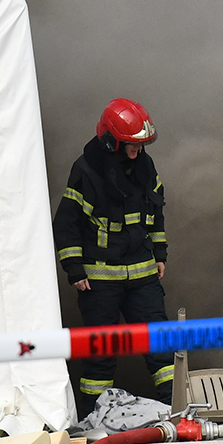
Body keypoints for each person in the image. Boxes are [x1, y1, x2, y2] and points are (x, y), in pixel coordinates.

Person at [52, 98, 172, 420]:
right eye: (131, 145)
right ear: (111, 141)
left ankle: (178, 411)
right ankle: (93, 423)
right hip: (100, 280)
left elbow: (156, 212)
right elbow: (66, 224)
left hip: (143, 274)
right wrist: (74, 269)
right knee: (101, 355)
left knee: (160, 344)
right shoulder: (87, 170)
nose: (137, 151)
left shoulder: (145, 166)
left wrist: (159, 254)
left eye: (140, 145)